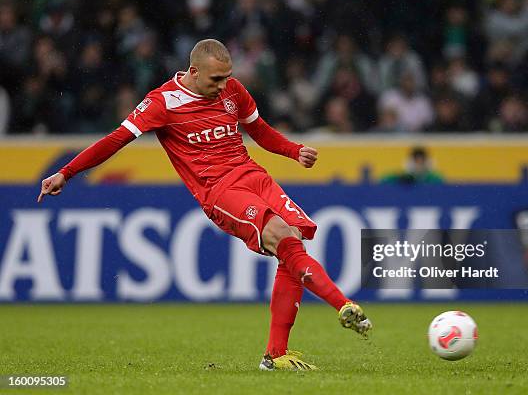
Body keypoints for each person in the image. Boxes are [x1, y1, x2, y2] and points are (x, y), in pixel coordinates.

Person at [37, 39, 372, 371]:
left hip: (254, 176)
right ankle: (343, 306)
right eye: (216, 79)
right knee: (282, 236)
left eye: (227, 77)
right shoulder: (162, 103)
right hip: (220, 191)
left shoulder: (233, 90)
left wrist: (293, 150)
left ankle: (276, 355)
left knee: (293, 241)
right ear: (194, 72)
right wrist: (67, 172)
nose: (223, 85)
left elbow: (260, 130)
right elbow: (115, 140)